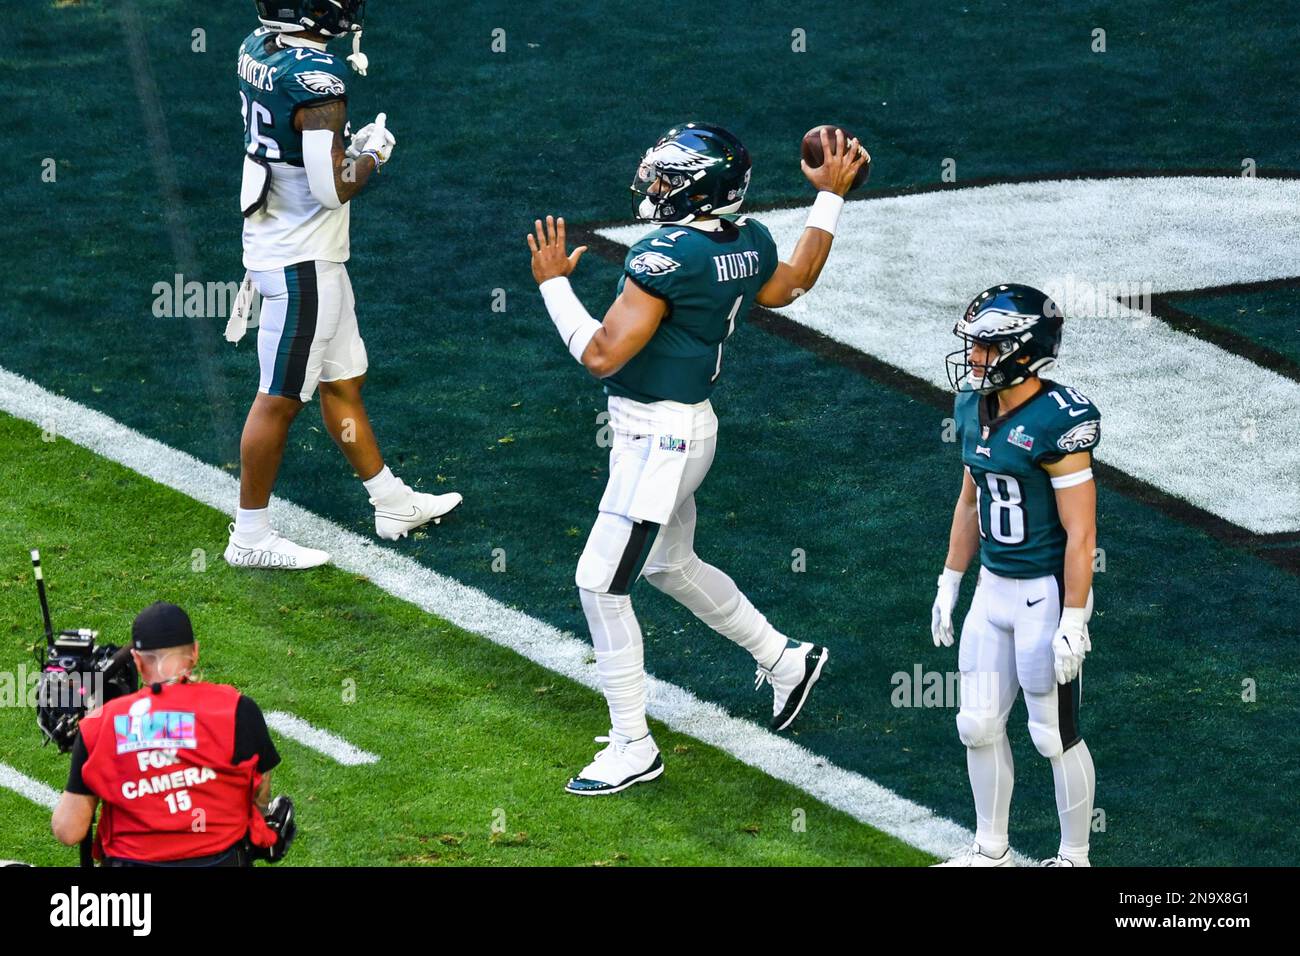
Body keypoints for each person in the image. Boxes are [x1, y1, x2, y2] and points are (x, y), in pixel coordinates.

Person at [526, 122, 868, 794]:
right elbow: (791, 284)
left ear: (698, 191)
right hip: (683, 430)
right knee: (669, 564)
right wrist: (829, 198)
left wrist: (549, 285)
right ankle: (784, 660)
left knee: (600, 583)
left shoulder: (665, 257)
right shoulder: (750, 239)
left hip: (658, 438)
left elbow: (601, 355)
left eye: (666, 181)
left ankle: (632, 746)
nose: (651, 189)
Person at [224, 0, 460, 571]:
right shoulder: (315, 81)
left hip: (303, 247)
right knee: (278, 400)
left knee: (342, 383)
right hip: (300, 261)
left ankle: (391, 501)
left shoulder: (258, 48)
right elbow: (332, 188)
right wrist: (371, 155)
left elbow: (296, 149)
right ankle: (249, 534)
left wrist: (344, 148)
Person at [930, 284, 1100, 866]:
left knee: (1052, 734)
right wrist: (950, 579)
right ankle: (990, 850)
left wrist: (1075, 619)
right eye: (973, 343)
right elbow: (970, 501)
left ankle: (1074, 858)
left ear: (1024, 350)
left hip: (1044, 597)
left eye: (986, 345)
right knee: (975, 724)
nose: (974, 356)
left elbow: (1082, 534)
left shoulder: (1058, 422)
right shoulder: (970, 409)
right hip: (992, 590)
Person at [50, 602, 291, 867]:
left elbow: (69, 831)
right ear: (195, 653)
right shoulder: (239, 710)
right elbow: (260, 796)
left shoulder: (101, 724)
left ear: (139, 663)